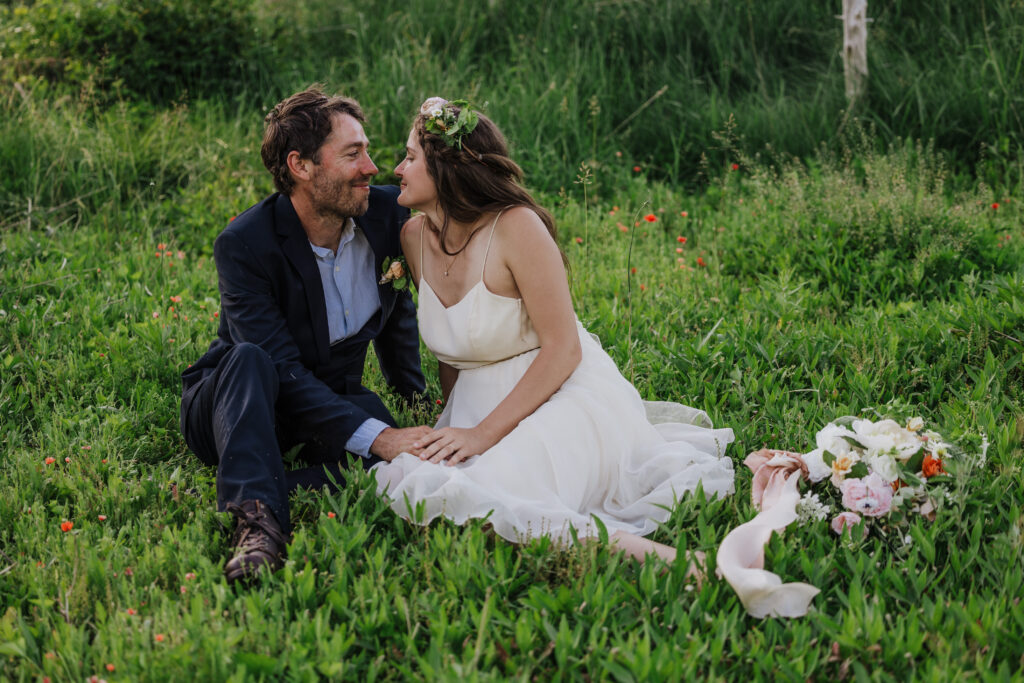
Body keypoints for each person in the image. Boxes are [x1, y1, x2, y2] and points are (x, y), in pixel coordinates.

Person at [371, 98, 735, 564]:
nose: (398, 167)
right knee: (430, 494)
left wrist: (482, 436)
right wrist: (456, 424)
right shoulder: (413, 238)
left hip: (559, 392)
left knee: (500, 502)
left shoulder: (516, 228)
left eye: (411, 156)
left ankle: (676, 564)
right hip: (477, 407)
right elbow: (454, 352)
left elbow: (563, 351)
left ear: (447, 168)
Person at [180, 87, 432, 582]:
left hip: (325, 399)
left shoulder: (383, 215)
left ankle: (276, 480)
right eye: (353, 154)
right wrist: (381, 440)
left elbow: (397, 316)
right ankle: (258, 524)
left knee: (382, 435)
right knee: (250, 356)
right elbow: (280, 366)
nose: (372, 168)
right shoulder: (244, 245)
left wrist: (413, 403)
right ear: (301, 166)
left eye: (368, 150)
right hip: (241, 401)